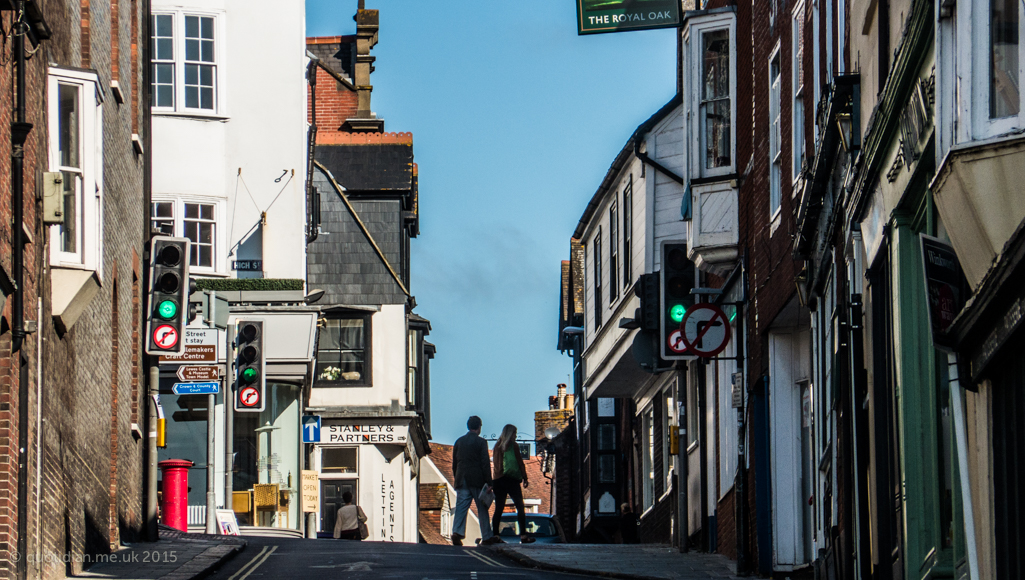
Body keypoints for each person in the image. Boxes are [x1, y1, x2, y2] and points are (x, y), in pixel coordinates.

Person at [485, 424, 535, 544]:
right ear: (509, 433)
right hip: (511, 479)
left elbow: (496, 465)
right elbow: (520, 462)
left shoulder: (497, 446)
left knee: (499, 508)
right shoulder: (513, 446)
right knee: (519, 506)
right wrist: (525, 477)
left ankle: (495, 535)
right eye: (514, 433)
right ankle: (523, 535)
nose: (516, 435)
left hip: (498, 480)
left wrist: (494, 480)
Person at [451, 415, 494, 546]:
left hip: (461, 478)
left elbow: (455, 463)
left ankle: (457, 532)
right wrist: (489, 482)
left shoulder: (459, 441)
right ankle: (486, 536)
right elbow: (485, 463)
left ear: (468, 426)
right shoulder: (481, 442)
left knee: (461, 508)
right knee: (482, 507)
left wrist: (456, 478)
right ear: (479, 427)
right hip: (477, 479)